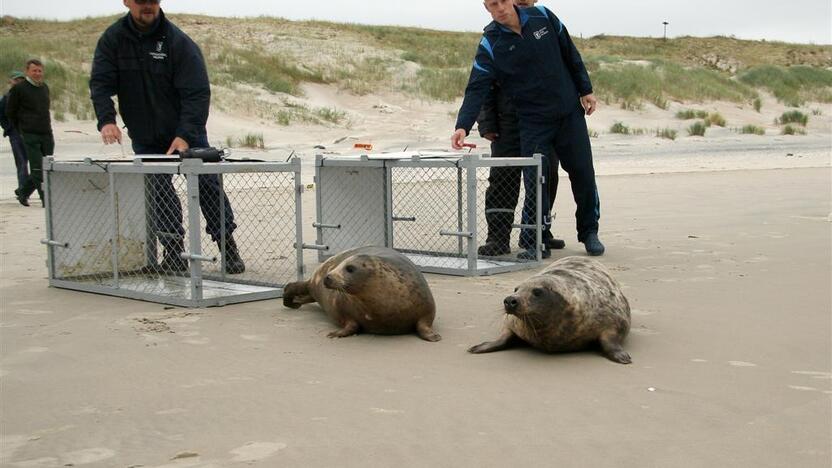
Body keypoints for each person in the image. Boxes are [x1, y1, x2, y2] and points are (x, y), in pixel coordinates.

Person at [90, 0, 245, 273]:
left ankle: (228, 246)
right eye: (141, 1)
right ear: (127, 1)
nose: (147, 6)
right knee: (158, 192)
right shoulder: (113, 39)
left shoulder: (178, 43)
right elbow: (100, 83)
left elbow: (197, 93)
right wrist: (106, 120)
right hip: (145, 137)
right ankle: (173, 252)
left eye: (153, 0)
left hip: (187, 136)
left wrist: (185, 135)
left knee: (208, 187)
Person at [452, 0, 605, 257]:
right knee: (537, 180)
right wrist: (463, 126)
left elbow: (570, 52)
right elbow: (477, 86)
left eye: (501, 2)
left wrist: (585, 89)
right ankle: (533, 241)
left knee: (583, 172)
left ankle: (589, 232)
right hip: (532, 121)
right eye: (492, 5)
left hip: (568, 113)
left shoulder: (543, 16)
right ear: (486, 8)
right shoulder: (491, 42)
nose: (499, 9)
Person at [476, 0, 566, 257]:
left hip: (544, 122)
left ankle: (538, 234)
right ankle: (498, 238)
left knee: (545, 178)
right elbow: (484, 84)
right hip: (507, 125)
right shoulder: (493, 35)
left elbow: (561, 72)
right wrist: (487, 123)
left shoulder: (545, 25)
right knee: (503, 181)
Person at [6, 59, 54, 207]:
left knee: (48, 166)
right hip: (29, 133)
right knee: (38, 169)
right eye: (34, 71)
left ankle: (23, 191)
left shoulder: (44, 87)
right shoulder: (19, 88)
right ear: (27, 71)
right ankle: (45, 200)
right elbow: (10, 111)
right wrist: (20, 129)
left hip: (46, 133)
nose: (37, 73)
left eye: (40, 71)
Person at [0, 71, 29, 197]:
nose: (19, 82)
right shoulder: (6, 98)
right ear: (11, 81)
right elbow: (1, 115)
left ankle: (30, 189)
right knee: (21, 163)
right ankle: (23, 190)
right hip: (15, 134)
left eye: (21, 80)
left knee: (34, 163)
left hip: (29, 132)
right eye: (16, 80)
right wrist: (8, 128)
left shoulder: (28, 96)